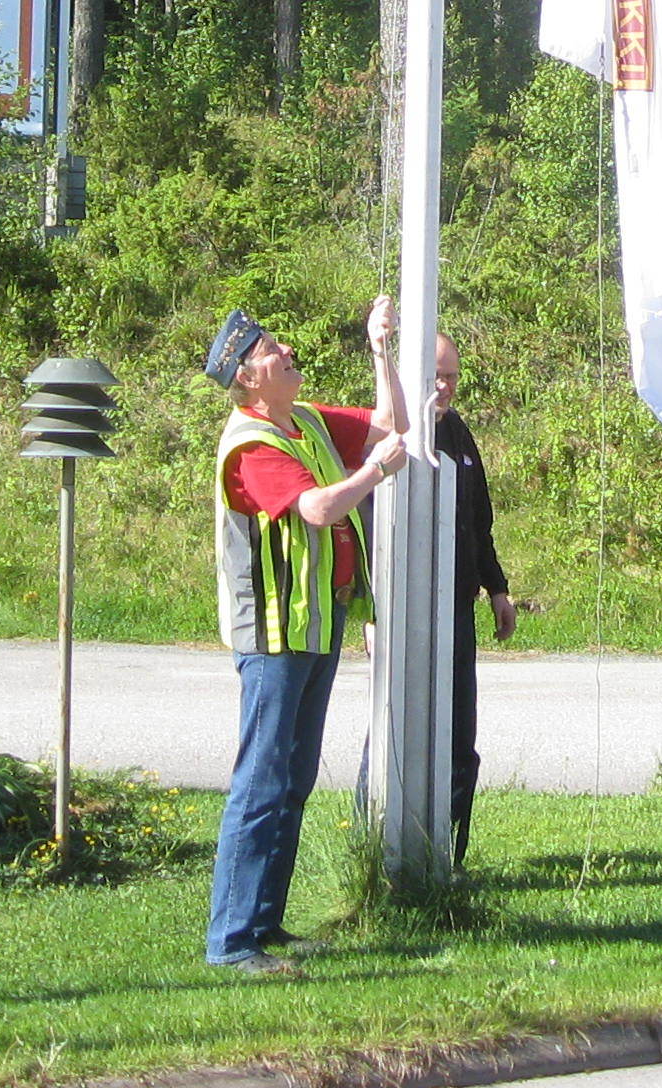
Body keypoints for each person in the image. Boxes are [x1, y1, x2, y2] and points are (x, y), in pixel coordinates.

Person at [203, 298, 408, 974]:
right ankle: (232, 942)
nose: (287, 351)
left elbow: (391, 424)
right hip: (273, 635)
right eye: (271, 350)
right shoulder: (253, 443)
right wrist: (375, 473)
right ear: (247, 377)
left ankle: (265, 924)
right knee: (261, 782)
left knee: (292, 780)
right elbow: (318, 508)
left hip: (316, 623)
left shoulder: (306, 420)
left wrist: (380, 349)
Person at [428, 337, 516, 860]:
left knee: (461, 738)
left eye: (452, 376)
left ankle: (449, 860)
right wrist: (373, 612)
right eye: (436, 375)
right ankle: (381, 849)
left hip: (459, 608)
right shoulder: (394, 435)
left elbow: (479, 521)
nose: (445, 386)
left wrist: (497, 588)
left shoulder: (459, 433)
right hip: (409, 613)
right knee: (400, 731)